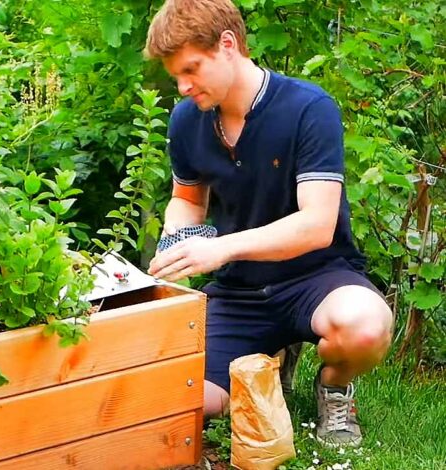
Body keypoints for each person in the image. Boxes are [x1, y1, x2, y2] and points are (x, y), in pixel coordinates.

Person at [144, 0, 393, 448]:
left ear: (227, 45)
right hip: (238, 293)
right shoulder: (187, 120)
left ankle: (334, 386)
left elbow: (317, 225)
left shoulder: (308, 109)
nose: (182, 87)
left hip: (319, 276)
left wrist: (221, 247)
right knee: (184, 403)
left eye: (191, 70)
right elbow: (186, 200)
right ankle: (268, 360)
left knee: (366, 326)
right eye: (175, 75)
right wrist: (178, 242)